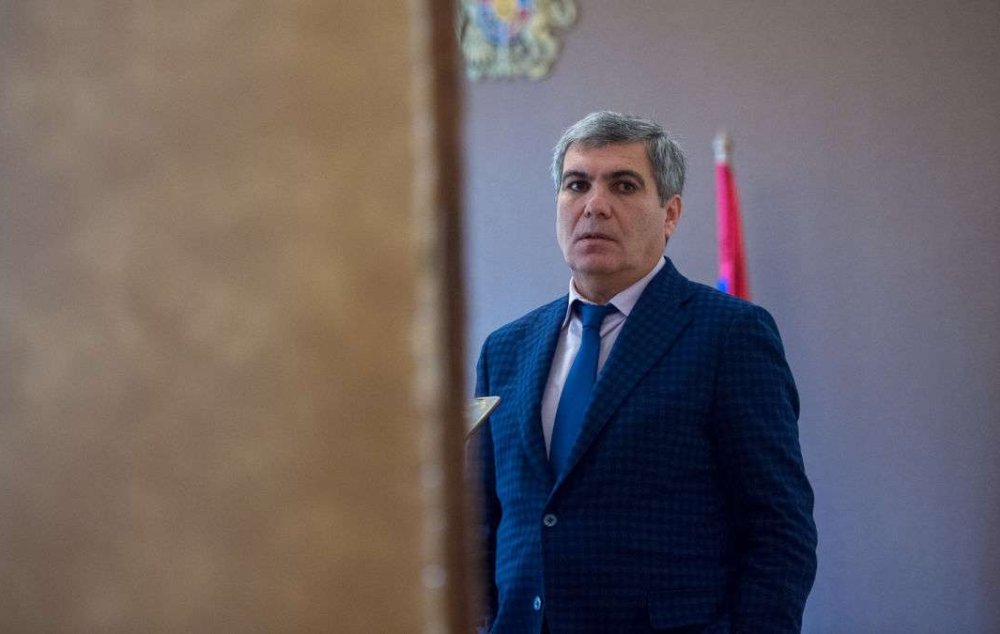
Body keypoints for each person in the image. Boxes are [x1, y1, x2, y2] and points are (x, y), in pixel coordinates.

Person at [469, 111, 817, 633]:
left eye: (624, 185)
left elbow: (779, 530)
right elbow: (484, 524)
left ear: (670, 214)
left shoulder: (728, 335)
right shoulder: (505, 349)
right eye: (576, 185)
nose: (595, 205)